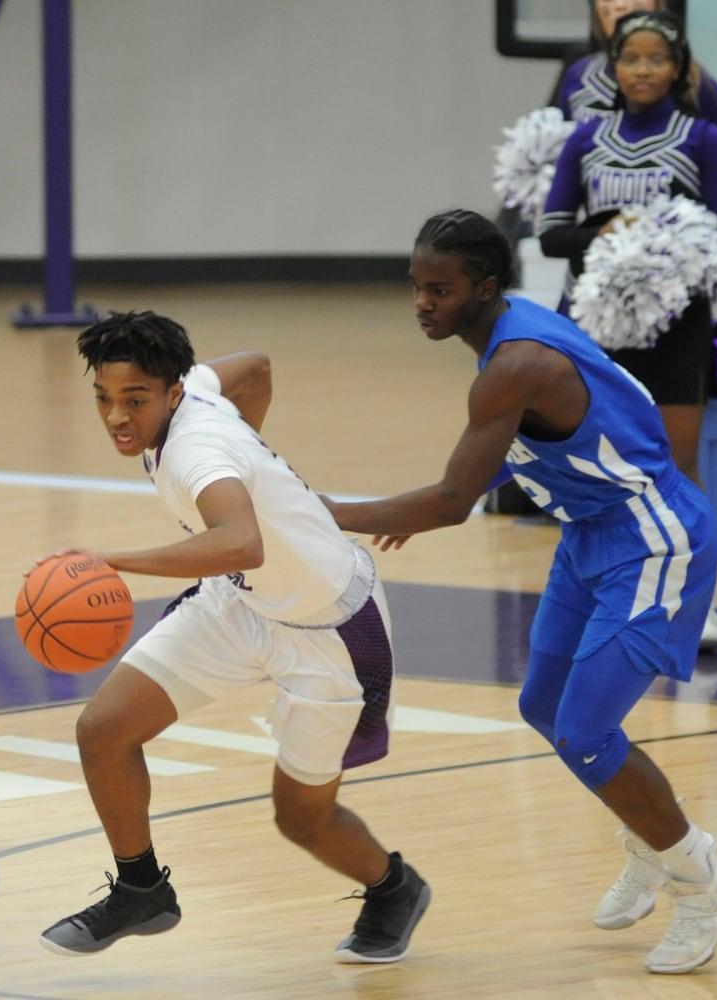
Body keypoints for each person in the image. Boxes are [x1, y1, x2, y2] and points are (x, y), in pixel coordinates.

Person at [327, 208, 717, 975]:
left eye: (439, 289)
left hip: (651, 536)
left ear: (485, 287)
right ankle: (651, 842)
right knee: (543, 708)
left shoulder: (515, 361)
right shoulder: (505, 338)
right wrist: (419, 506)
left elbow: (450, 503)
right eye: (416, 287)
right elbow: (530, 440)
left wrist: (322, 513)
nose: (421, 303)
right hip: (589, 533)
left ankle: (704, 884)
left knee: (587, 732)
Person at [37, 311, 430, 963]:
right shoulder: (195, 390)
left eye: (134, 400)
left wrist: (113, 559)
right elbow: (255, 366)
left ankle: (394, 888)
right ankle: (141, 890)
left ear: (171, 393)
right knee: (101, 730)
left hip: (328, 631)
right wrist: (252, 462)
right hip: (239, 603)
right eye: (103, 399)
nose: (115, 417)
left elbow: (241, 542)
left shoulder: (197, 452)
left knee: (300, 819)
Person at [539, 10, 717, 651]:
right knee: (594, 468)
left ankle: (696, 606)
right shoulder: (586, 138)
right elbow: (550, 233)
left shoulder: (703, 138)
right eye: (632, 59)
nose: (644, 70)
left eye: (658, 59)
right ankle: (602, 600)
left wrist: (662, 252)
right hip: (595, 329)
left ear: (678, 69)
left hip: (676, 326)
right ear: (613, 68)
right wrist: (605, 236)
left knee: (677, 466)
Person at [551, 0, 717, 199]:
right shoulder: (580, 76)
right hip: (594, 228)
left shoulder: (694, 82)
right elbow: (556, 162)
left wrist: (697, 219)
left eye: (657, 61)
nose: (619, 5)